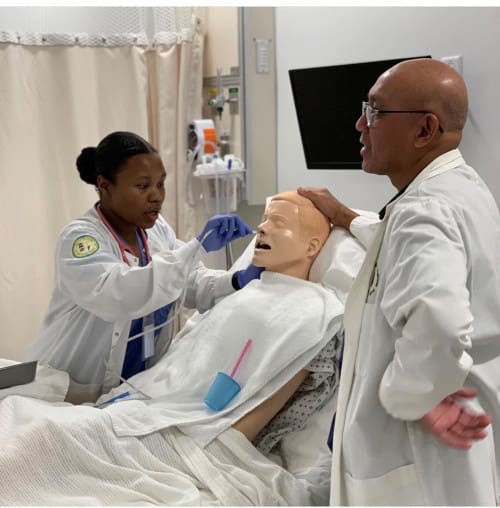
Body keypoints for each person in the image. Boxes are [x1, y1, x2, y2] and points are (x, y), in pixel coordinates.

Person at [1, 191, 344, 506]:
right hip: (137, 409)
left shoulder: (312, 312)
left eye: (277, 222)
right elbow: (129, 294)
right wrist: (212, 262)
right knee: (36, 433)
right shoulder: (84, 236)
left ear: (313, 246)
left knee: (42, 447)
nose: (262, 228)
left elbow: (260, 397)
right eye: (265, 218)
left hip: (178, 433)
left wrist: (210, 445)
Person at [298, 58, 500, 505]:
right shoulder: (460, 190)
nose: (359, 125)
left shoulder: (422, 211)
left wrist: (416, 396)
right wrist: (348, 217)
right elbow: (406, 250)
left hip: (422, 450)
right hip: (463, 431)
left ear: (425, 130)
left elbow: (440, 320)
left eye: (374, 112)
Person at [26, 131, 263, 403]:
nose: (156, 196)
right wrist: (197, 248)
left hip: (130, 389)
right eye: (142, 186)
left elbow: (189, 282)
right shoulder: (81, 239)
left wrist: (236, 280)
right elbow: (120, 295)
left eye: (161, 184)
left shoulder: (156, 231)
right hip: (67, 390)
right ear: (105, 185)